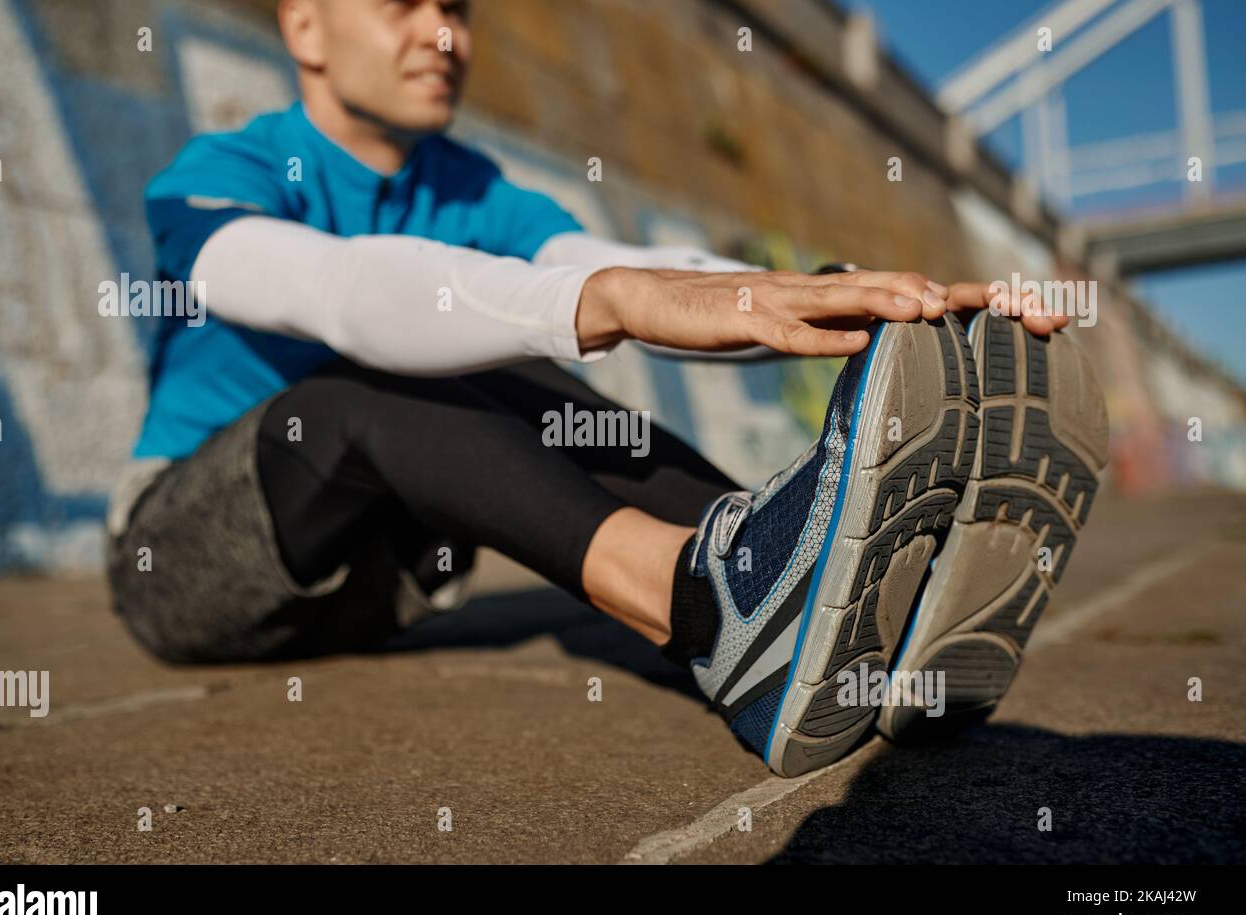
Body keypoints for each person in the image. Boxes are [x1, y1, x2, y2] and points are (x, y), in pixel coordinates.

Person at [107, 0, 1106, 777]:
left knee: (529, 374)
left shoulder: (468, 189)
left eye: (458, 10)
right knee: (383, 368)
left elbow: (619, 260)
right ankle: (705, 607)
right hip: (189, 572)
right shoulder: (216, 175)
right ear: (305, 26)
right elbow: (342, 291)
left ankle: (814, 586)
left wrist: (842, 297)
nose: (443, 35)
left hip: (373, 583)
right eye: (404, 6)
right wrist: (615, 298)